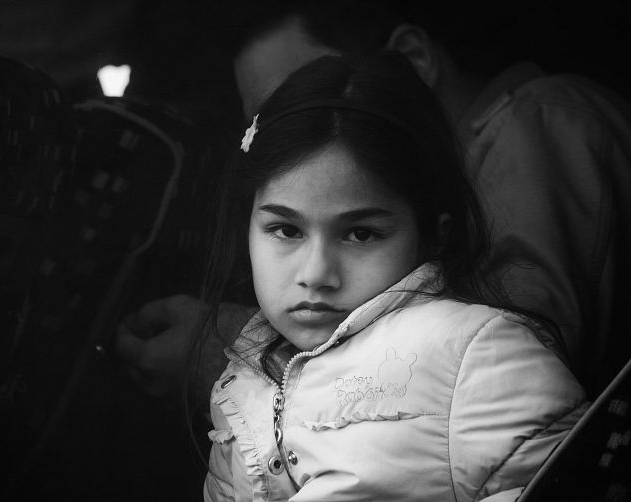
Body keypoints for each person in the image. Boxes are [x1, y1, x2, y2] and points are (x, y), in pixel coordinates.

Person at [116, 0, 631, 401]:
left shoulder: (540, 121)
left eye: (315, 94)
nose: (297, 137)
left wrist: (246, 355)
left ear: (412, 59)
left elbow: (519, 365)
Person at [201, 52, 586, 502]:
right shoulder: (240, 384)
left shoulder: (477, 356)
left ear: (431, 236)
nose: (316, 274)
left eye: (361, 234)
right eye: (285, 230)